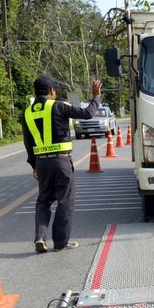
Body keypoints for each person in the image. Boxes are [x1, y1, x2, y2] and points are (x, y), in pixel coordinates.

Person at [22, 76, 102, 253]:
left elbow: (28, 142)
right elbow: (87, 113)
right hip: (61, 161)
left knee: (43, 200)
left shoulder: (27, 112)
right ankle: (60, 242)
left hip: (42, 163)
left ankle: (40, 238)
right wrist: (96, 97)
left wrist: (34, 165)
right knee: (65, 200)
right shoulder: (59, 105)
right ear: (52, 91)